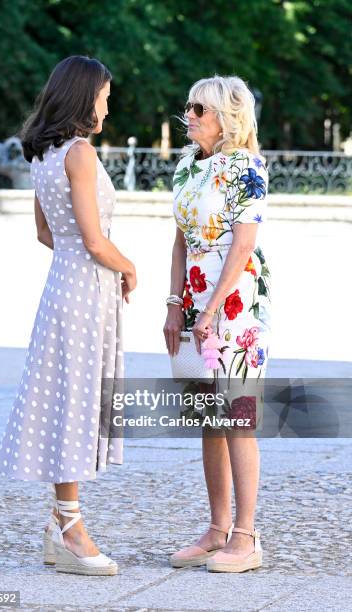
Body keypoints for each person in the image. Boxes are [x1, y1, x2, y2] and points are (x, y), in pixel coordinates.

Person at [0, 55, 137, 576]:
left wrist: (87, 256)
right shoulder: (78, 153)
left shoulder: (43, 154)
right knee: (77, 402)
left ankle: (61, 522)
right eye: (104, 96)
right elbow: (96, 240)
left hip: (63, 285)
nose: (107, 105)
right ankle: (71, 529)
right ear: (83, 97)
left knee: (67, 399)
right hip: (86, 290)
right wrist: (127, 267)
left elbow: (46, 233)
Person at [164, 75, 272, 573]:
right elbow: (181, 240)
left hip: (234, 303)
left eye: (198, 109)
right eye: (189, 106)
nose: (188, 115)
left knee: (237, 417)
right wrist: (174, 305)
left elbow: (244, 246)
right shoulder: (188, 164)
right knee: (209, 418)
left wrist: (209, 310)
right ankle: (216, 528)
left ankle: (246, 536)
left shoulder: (245, 167)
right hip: (193, 300)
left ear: (227, 119)